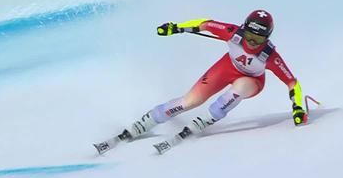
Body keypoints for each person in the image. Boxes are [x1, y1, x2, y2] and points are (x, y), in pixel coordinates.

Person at [119, 9, 308, 142]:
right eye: (249, 35)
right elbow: (205, 24)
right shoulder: (232, 32)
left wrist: (298, 108)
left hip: (252, 81)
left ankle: (208, 118)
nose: (251, 42)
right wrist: (175, 28)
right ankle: (148, 121)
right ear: (244, 28)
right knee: (189, 101)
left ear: (267, 38)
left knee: (241, 87)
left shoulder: (271, 57)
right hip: (226, 68)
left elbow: (292, 83)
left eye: (258, 39)